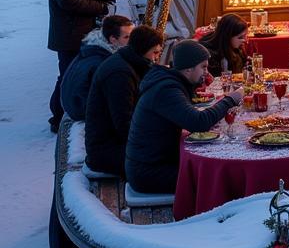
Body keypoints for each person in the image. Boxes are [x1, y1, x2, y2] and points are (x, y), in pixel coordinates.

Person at [125, 40, 242, 194]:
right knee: (216, 178)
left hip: (157, 162)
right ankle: (216, 215)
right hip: (149, 173)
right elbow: (198, 123)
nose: (206, 72)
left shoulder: (170, 82)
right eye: (203, 67)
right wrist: (230, 99)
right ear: (188, 69)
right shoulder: (166, 90)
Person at [47, 0, 114, 132]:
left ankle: (79, 111)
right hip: (69, 32)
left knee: (85, 73)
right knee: (68, 74)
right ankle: (58, 117)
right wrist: (100, 6)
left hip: (90, 30)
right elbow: (66, 0)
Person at [85, 25, 164, 177]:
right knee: (167, 156)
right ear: (142, 49)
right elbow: (124, 124)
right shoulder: (120, 74)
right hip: (106, 151)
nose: (155, 59)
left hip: (116, 143)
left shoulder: (131, 63)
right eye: (154, 53)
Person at [60, 14, 133, 121]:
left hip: (74, 105)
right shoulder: (103, 62)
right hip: (82, 110)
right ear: (113, 39)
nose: (132, 40)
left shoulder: (92, 49)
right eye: (127, 37)